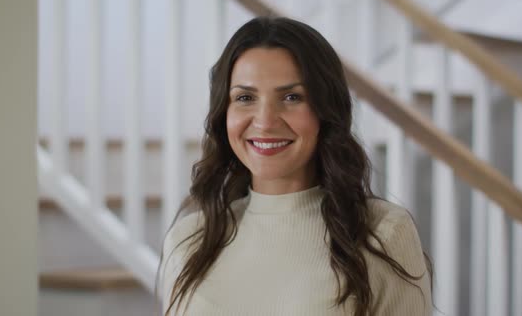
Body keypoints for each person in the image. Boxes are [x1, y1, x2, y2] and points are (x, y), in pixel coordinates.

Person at [157, 16, 432, 316]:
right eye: (245, 97)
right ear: (224, 114)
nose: (264, 121)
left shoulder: (384, 233)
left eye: (291, 97)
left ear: (325, 112)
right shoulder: (189, 240)